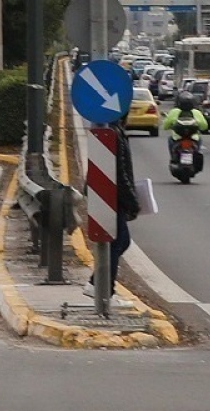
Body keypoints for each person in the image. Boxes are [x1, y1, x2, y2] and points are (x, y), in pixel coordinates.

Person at [83, 113, 140, 308]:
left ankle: (97, 284)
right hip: (111, 198)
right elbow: (120, 174)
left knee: (119, 242)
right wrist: (133, 202)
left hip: (108, 196)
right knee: (118, 242)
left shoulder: (112, 132)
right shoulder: (113, 134)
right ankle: (104, 291)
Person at [162, 91, 207, 163]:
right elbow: (204, 126)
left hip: (177, 138)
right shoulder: (196, 112)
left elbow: (165, 126)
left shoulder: (174, 112)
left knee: (170, 140)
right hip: (193, 138)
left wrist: (170, 126)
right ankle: (195, 156)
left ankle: (173, 157)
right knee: (200, 140)